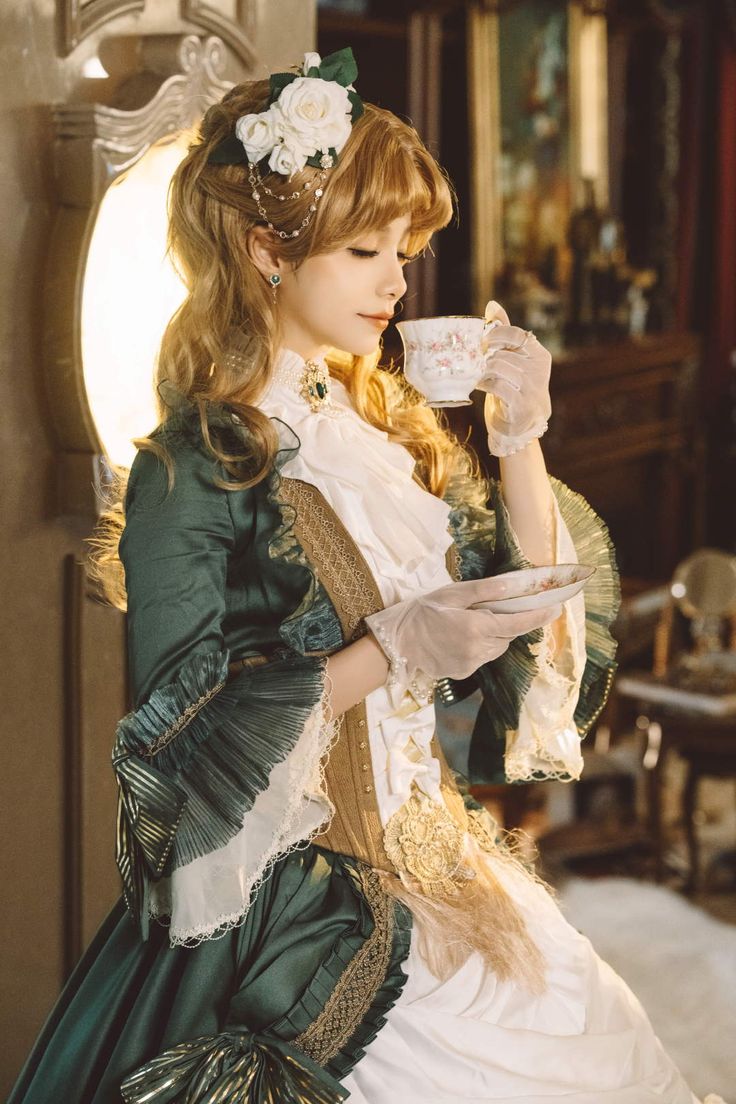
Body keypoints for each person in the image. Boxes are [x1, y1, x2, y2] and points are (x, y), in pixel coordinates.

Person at [9, 47, 725, 1104]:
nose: (399, 279)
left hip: (445, 871)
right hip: (296, 913)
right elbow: (177, 745)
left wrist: (519, 436)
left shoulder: (377, 435)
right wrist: (393, 649)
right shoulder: (193, 467)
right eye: (364, 249)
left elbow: (531, 630)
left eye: (403, 248)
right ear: (264, 250)